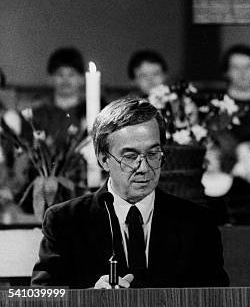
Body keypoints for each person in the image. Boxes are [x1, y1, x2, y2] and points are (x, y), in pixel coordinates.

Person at [31, 97, 229, 288]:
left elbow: (217, 297)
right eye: (130, 156)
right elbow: (41, 295)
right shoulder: (65, 220)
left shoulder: (198, 223)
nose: (143, 167)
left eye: (152, 154)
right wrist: (89, 298)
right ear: (103, 159)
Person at [221, 45, 250, 146]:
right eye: (235, 67)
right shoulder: (215, 104)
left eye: (248, 67)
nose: (242, 73)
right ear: (227, 72)